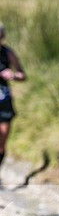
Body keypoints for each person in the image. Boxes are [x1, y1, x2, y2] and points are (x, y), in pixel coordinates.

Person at [0, 22, 27, 184]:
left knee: (2, 141)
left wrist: (14, 76)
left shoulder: (8, 53)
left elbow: (23, 75)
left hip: (4, 101)